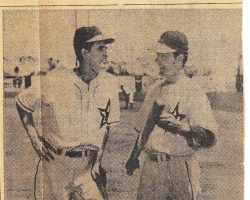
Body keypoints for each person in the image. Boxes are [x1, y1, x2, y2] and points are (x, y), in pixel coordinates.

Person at [16, 26, 120, 200]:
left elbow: (107, 127)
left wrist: (98, 162)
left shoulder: (110, 83)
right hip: (56, 165)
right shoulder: (57, 78)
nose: (106, 53)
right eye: (100, 48)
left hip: (88, 168)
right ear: (84, 52)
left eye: (106, 48)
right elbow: (22, 103)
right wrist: (34, 138)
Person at [125, 31, 218, 200]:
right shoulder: (153, 89)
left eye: (164, 56)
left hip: (179, 166)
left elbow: (209, 138)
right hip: (151, 167)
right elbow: (143, 131)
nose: (157, 60)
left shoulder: (194, 92)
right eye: (158, 55)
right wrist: (133, 157)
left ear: (180, 59)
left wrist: (182, 127)